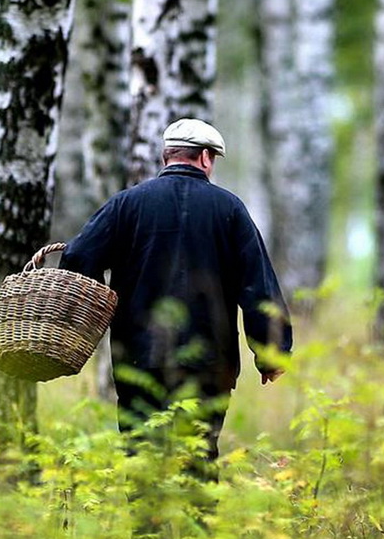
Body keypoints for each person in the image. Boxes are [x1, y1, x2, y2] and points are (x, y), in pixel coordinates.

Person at [60, 118, 292, 466]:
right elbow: (257, 286)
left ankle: (145, 522)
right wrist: (272, 352)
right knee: (198, 461)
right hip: (209, 365)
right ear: (204, 158)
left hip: (138, 359)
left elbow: (77, 256)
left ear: (167, 157)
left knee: (142, 459)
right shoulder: (230, 209)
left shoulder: (126, 204)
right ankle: (194, 520)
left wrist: (88, 315)